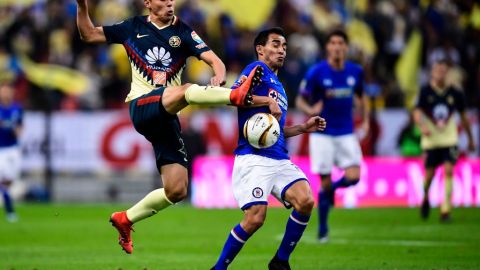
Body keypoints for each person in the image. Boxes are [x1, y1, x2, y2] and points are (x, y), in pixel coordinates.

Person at [76, 0, 263, 254]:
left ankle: (125, 219)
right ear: (148, 3)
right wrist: (81, 6)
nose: (169, 4)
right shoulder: (132, 27)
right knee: (186, 91)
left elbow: (214, 60)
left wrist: (218, 74)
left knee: (176, 190)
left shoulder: (183, 32)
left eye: (171, 0)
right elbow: (88, 34)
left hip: (166, 115)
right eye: (163, 0)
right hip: (142, 106)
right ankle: (236, 97)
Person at [210, 27, 326, 270]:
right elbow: (234, 95)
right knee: (255, 218)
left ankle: (280, 262)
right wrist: (267, 101)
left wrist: (304, 127)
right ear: (260, 49)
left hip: (279, 158)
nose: (281, 50)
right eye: (275, 44)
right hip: (253, 158)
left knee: (305, 200)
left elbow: (274, 132)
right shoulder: (257, 69)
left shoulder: (280, 86)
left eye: (284, 46)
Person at [295, 29, 369, 243]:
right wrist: (310, 110)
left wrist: (364, 120)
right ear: (328, 47)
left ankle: (331, 193)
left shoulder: (355, 71)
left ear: (346, 47)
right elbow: (300, 100)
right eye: (333, 42)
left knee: (354, 176)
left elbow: (362, 98)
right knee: (324, 182)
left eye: (340, 43)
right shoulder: (317, 72)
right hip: (322, 133)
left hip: (346, 131)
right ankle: (323, 229)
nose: (337, 46)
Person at [413, 59, 475, 222]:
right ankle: (425, 197)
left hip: (449, 139)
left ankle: (445, 209)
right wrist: (422, 126)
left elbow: (463, 117)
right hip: (431, 140)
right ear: (432, 72)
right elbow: (417, 112)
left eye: (443, 70)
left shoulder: (456, 93)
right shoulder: (426, 91)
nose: (440, 73)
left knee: (449, 170)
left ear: (447, 73)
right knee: (429, 176)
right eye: (437, 70)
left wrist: (470, 139)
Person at [0, 83, 23, 223]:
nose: (5, 94)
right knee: (3, 181)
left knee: (9, 181)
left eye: (7, 91)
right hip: (0, 149)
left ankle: (8, 205)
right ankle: (10, 211)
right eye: (3, 91)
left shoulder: (17, 108)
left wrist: (15, 130)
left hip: (13, 149)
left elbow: (20, 127)